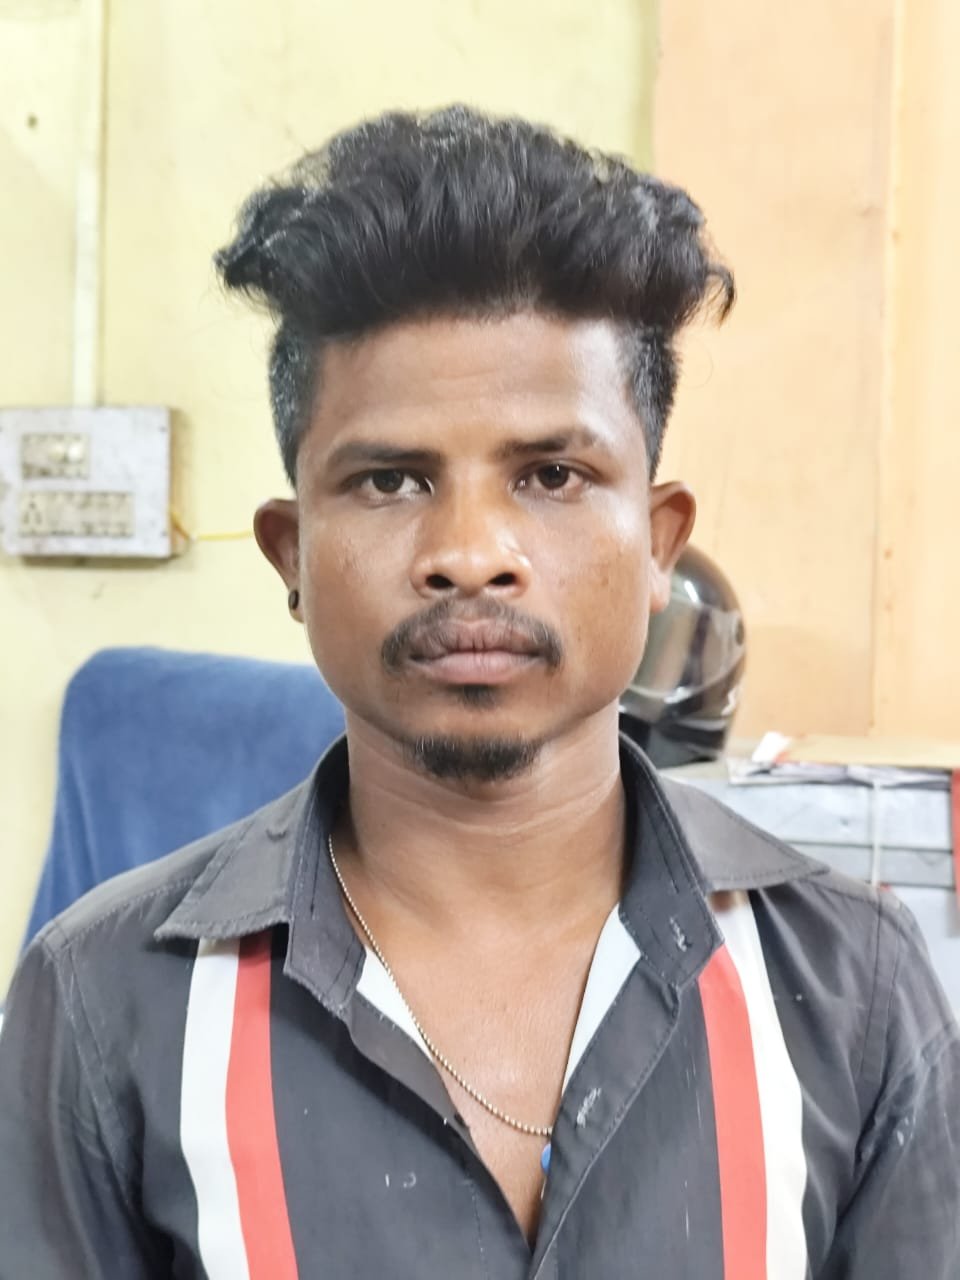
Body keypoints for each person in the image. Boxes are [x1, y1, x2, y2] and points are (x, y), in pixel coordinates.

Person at [0, 107, 957, 1280]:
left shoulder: (850, 985)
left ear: (660, 544)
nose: (468, 553)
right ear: (292, 554)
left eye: (551, 473)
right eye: (391, 479)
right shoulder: (106, 1001)